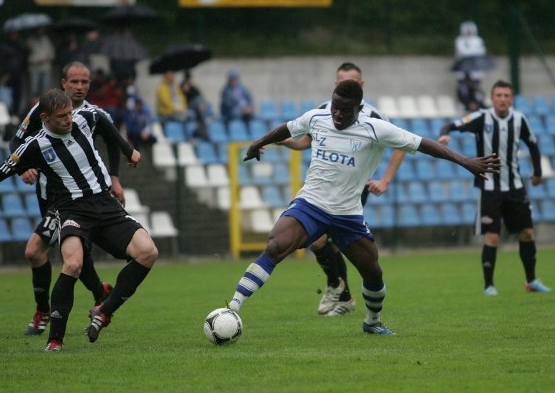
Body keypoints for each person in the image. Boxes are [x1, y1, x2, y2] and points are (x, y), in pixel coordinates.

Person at [225, 79, 501, 335]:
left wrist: (466, 162)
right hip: (311, 204)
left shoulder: (375, 129)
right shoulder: (316, 117)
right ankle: (232, 308)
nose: (338, 114)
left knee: (373, 272)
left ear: (358, 108)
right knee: (275, 245)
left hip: (348, 215)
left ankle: (372, 321)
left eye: (345, 110)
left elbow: (424, 145)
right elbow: (288, 128)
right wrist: (259, 142)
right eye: (335, 107)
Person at [0, 88, 157, 352]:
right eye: (61, 116)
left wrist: (128, 150)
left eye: (69, 114)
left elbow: (105, 120)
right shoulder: (35, 146)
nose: (68, 120)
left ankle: (104, 311)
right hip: (73, 211)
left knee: (148, 252)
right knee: (73, 264)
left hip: (105, 205)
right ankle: (55, 340)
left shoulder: (84, 117)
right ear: (45, 117)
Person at [280, 62, 406, 317]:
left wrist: (385, 180)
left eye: (350, 82)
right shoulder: (325, 110)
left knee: (322, 241)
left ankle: (340, 290)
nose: (343, 86)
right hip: (324, 188)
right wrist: (281, 141)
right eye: (339, 82)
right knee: (322, 242)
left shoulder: (375, 117)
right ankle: (343, 293)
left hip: (351, 189)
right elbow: (306, 141)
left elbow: (402, 145)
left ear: (361, 85)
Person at [11, 61, 126, 336]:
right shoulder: (45, 109)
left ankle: (44, 313)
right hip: (46, 194)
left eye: (85, 82)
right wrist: (22, 166)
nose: (80, 87)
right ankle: (100, 294)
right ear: (63, 83)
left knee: (36, 251)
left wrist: (115, 177)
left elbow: (113, 140)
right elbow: (16, 143)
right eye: (74, 81)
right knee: (75, 255)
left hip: (70, 200)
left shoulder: (91, 114)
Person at [438, 80, 551, 296]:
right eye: (498, 95)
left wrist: (537, 173)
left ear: (511, 99)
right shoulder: (482, 117)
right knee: (493, 237)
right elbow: (452, 125)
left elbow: (533, 146)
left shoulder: (519, 119)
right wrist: (445, 134)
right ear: (492, 98)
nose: (503, 99)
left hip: (515, 185)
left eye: (507, 95)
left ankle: (531, 281)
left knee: (527, 232)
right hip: (489, 187)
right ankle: (489, 285)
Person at [0, 30, 26, 116]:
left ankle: (15, 114)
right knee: (7, 97)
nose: (15, 36)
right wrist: (2, 75)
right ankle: (7, 113)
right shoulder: (4, 46)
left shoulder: (19, 46)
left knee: (17, 95)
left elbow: (22, 60)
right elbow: (0, 62)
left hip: (17, 74)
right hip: (7, 75)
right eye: (13, 34)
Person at [180, 70, 211, 140]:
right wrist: (185, 90)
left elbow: (199, 95)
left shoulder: (193, 88)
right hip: (189, 107)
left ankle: (202, 127)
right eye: (187, 78)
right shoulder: (181, 87)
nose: (189, 80)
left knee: (205, 105)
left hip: (198, 108)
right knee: (199, 104)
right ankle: (201, 129)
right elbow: (183, 99)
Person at [26, 27, 55, 99]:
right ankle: (32, 107)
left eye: (41, 29)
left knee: (45, 90)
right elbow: (27, 58)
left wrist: (48, 57)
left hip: (45, 68)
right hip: (34, 69)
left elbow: (52, 54)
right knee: (33, 90)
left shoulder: (46, 40)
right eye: (39, 29)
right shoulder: (30, 41)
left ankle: (44, 106)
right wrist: (38, 59)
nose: (40, 31)